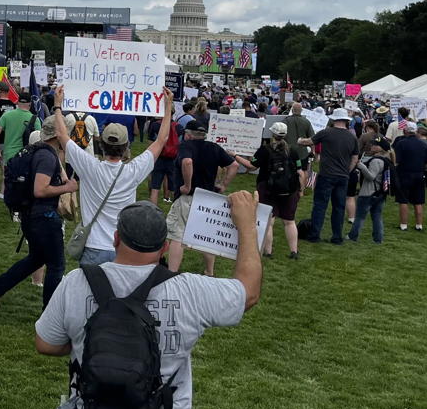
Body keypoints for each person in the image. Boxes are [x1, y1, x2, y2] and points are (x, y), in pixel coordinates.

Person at [35, 196, 262, 409]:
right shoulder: (191, 290)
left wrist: (82, 343)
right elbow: (248, 292)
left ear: (116, 239)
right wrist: (247, 226)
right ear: (165, 248)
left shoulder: (77, 283)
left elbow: (45, 343)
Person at [54, 85, 173, 266]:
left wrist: (57, 106)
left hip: (93, 246)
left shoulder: (88, 166)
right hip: (121, 248)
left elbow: (62, 134)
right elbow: (161, 140)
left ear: (101, 144)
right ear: (126, 148)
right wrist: (167, 107)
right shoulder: (132, 171)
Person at [0, 115, 78, 310]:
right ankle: (50, 312)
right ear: (58, 134)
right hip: (44, 218)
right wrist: (68, 188)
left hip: (29, 215)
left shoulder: (36, 151)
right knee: (57, 265)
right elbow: (40, 190)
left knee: (37, 259)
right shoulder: (47, 157)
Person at [166, 120, 239, 276]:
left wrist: (187, 185)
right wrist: (224, 184)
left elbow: (187, 162)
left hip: (188, 197)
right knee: (206, 237)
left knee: (178, 235)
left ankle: (172, 272)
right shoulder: (213, 147)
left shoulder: (186, 146)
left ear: (188, 135)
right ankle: (209, 271)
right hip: (208, 198)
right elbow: (234, 165)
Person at [236, 122, 303, 259]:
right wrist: (300, 190)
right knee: (289, 221)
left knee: (268, 221)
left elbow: (251, 166)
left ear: (272, 134)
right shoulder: (293, 150)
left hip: (267, 189)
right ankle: (294, 251)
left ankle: (268, 252)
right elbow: (300, 172)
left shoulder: (264, 150)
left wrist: (235, 155)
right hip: (289, 190)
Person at [298, 108, 358, 244]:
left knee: (320, 206)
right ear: (346, 121)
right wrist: (347, 171)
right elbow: (355, 158)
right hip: (343, 176)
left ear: (333, 119)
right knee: (339, 207)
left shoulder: (326, 133)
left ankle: (314, 235)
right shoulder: (352, 137)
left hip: (326, 175)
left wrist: (299, 140)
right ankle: (337, 237)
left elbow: (308, 142)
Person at [348, 136, 391, 243]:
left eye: (375, 145)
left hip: (368, 193)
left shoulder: (376, 161)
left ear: (380, 149)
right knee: (377, 217)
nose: (372, 146)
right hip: (380, 193)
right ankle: (378, 238)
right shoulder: (385, 160)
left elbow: (371, 176)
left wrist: (360, 166)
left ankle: (353, 236)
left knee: (360, 217)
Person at [391, 121, 427, 231]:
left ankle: (403, 225)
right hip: (419, 174)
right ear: (416, 131)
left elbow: (396, 160)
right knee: (418, 201)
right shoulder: (423, 144)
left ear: (405, 130)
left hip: (404, 174)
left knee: (403, 200)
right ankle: (419, 225)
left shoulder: (401, 143)